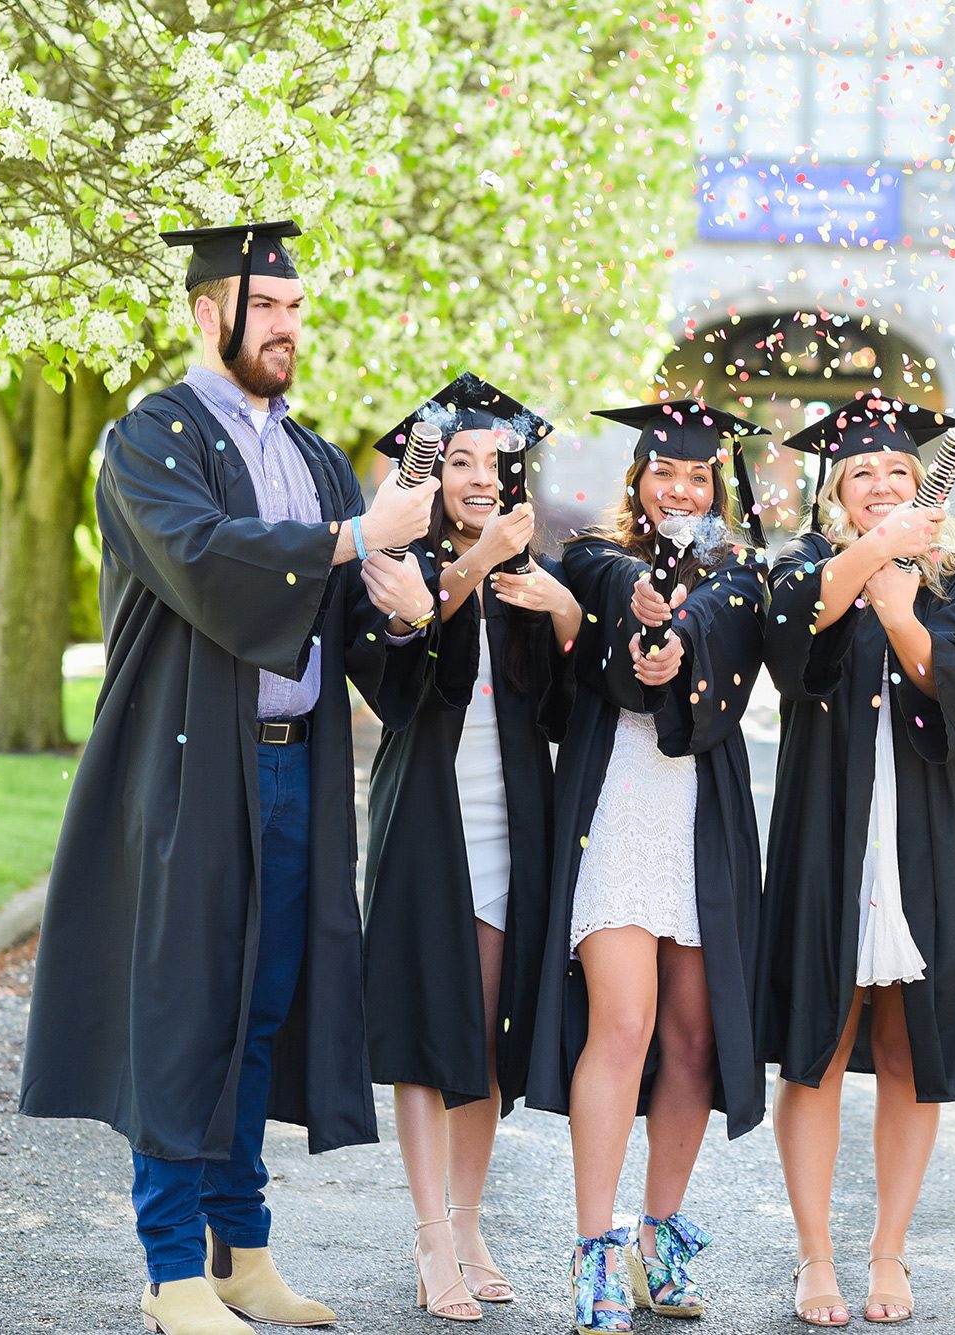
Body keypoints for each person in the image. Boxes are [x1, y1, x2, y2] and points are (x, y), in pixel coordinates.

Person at [18, 220, 441, 1335]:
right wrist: (353, 540)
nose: (291, 329)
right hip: (188, 773)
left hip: (297, 776)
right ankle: (170, 1276)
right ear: (208, 313)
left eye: (299, 311)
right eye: (271, 311)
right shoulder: (148, 439)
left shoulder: (308, 458)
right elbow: (206, 564)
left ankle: (242, 1254)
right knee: (182, 1012)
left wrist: (406, 615)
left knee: (259, 1012)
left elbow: (345, 623)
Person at [758, 391, 955, 1328]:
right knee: (818, 1046)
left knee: (910, 1043)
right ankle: (816, 1256)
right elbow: (795, 653)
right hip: (829, 830)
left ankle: (888, 1252)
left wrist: (904, 609)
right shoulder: (800, 568)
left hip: (924, 835)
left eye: (895, 471)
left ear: (923, 484)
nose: (878, 482)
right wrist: (872, 561)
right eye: (859, 473)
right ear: (836, 493)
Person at [525, 398, 771, 1335]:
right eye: (667, 472)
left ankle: (656, 1247)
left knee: (695, 1038)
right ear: (638, 478)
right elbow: (611, 590)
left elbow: (717, 631)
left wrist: (679, 637)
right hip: (619, 813)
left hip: (701, 820)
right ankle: (595, 1250)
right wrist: (638, 610)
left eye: (700, 475)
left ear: (717, 486)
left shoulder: (740, 581)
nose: (682, 487)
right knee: (623, 1023)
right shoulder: (595, 556)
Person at [357, 373, 580, 1322]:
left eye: (494, 460)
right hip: (427, 816)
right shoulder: (390, 559)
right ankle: (430, 1234)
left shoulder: (532, 569)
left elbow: (565, 714)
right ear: (431, 472)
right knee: (425, 1032)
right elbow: (393, 687)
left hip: (510, 819)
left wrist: (565, 613)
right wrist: (464, 572)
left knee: (483, 1035)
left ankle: (473, 1218)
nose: (480, 476)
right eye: (459, 461)